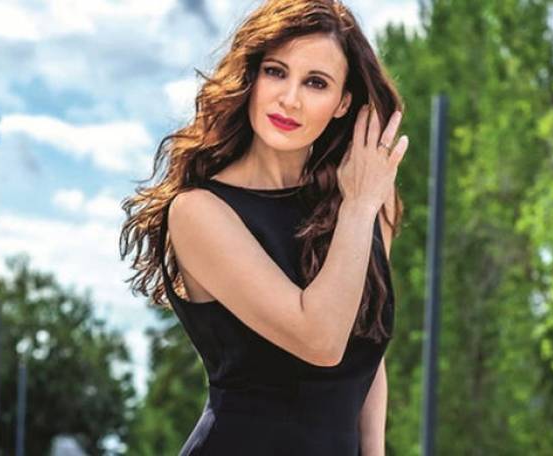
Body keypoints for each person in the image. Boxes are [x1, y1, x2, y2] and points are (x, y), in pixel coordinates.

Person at [120, 0, 409, 454]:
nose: (290, 99)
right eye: (276, 72)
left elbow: (367, 351)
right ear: (251, 79)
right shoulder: (199, 212)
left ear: (342, 103)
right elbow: (321, 340)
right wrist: (358, 207)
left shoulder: (367, 200)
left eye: (315, 82)